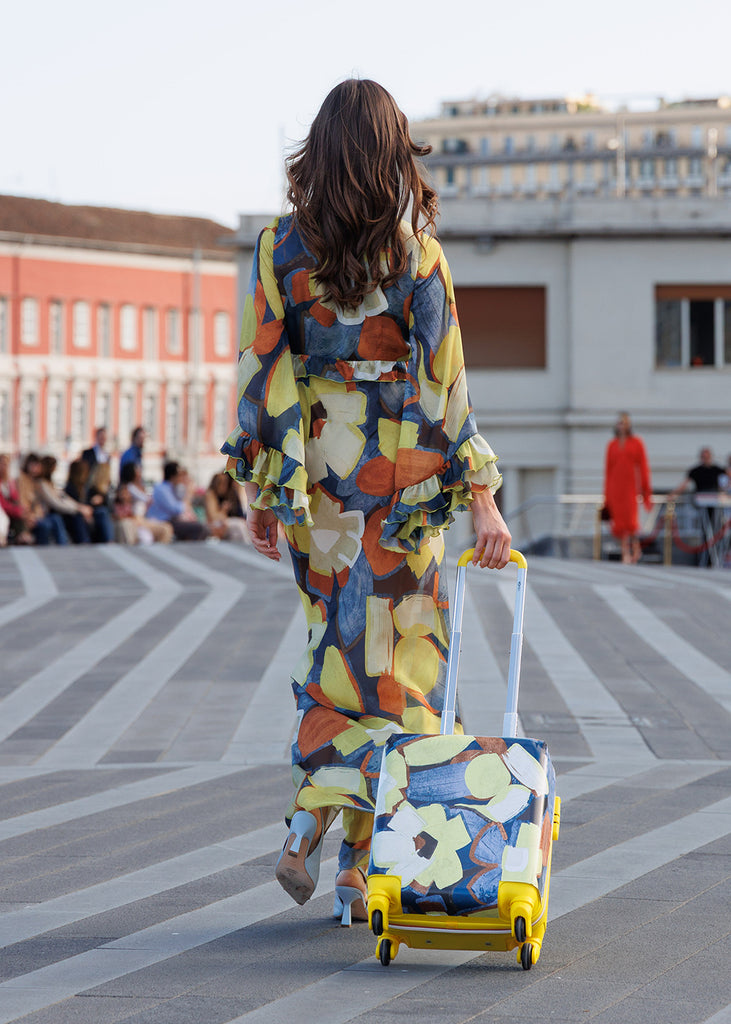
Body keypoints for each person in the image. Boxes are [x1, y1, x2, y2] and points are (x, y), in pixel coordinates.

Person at [221, 79, 511, 925]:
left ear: (319, 151)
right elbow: (445, 384)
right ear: (392, 153)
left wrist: (263, 490)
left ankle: (314, 824)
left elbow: (263, 368)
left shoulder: (280, 249)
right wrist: (483, 500)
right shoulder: (417, 256)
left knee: (334, 651)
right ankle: (358, 857)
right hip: (400, 483)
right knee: (400, 666)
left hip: (319, 483)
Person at [603, 412, 652, 564]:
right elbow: (608, 470)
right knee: (619, 523)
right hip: (615, 487)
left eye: (624, 423)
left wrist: (645, 490)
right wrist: (606, 496)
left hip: (630, 486)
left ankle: (636, 549)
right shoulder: (612, 444)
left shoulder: (637, 443)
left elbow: (643, 467)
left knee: (631, 521)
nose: (621, 426)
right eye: (619, 423)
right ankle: (625, 552)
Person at [38, 456, 94, 543]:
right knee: (72, 517)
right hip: (48, 513)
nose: (55, 469)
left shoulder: (50, 483)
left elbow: (64, 498)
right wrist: (78, 509)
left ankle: (84, 541)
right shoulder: (42, 484)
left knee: (78, 515)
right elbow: (55, 502)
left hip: (59, 511)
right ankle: (80, 542)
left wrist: (79, 507)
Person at [147, 461, 208, 541]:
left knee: (203, 528)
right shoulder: (162, 489)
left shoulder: (174, 488)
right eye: (179, 475)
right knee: (199, 528)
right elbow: (176, 509)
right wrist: (188, 496)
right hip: (164, 521)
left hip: (173, 520)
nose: (180, 478)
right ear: (173, 476)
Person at [114, 462, 173, 544]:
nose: (140, 473)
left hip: (143, 518)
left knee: (166, 528)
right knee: (147, 537)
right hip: (136, 519)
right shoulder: (130, 487)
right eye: (137, 470)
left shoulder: (138, 486)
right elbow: (147, 499)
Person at [18, 454, 68, 545]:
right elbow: (22, 501)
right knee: (46, 525)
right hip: (26, 516)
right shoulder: (22, 480)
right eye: (33, 465)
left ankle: (63, 546)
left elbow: (39, 504)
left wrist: (37, 514)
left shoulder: (38, 481)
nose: (35, 469)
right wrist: (30, 515)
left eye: (37, 466)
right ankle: (44, 547)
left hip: (37, 515)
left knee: (56, 519)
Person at [0, 454, 35, 544]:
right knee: (18, 518)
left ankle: (23, 536)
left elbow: (16, 499)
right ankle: (22, 536)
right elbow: (2, 504)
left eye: (6, 464)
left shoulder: (10, 482)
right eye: (2, 464)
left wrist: (24, 510)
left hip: (12, 511)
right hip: (4, 511)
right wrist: (18, 511)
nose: (5, 467)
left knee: (24, 517)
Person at [204, 472, 248, 542]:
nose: (223, 486)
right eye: (220, 483)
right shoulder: (211, 494)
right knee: (239, 525)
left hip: (226, 522)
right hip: (215, 523)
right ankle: (247, 544)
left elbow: (239, 513)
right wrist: (223, 510)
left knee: (241, 525)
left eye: (225, 483)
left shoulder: (231, 494)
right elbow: (213, 517)